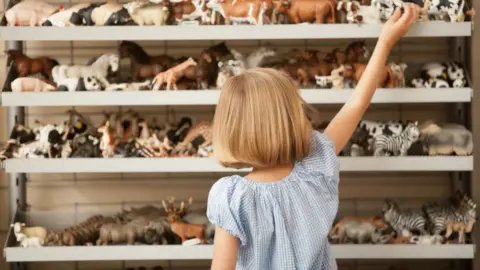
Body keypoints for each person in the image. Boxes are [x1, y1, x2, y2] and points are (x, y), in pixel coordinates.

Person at [206, 4, 421, 270]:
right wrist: (385, 42)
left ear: (231, 129)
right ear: (289, 119)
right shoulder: (315, 167)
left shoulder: (231, 196)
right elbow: (357, 104)